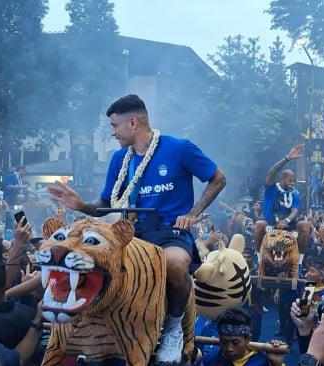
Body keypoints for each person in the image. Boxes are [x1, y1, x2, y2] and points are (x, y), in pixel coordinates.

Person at [47, 94, 227, 363]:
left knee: (175, 264)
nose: (112, 132)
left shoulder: (179, 148)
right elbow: (105, 204)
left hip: (170, 233)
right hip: (131, 235)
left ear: (132, 122)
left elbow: (218, 178)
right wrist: (81, 205)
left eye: (115, 126)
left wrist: (191, 214)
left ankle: (174, 328)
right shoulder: (119, 159)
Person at [253, 144, 310, 253]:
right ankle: (259, 257)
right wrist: (287, 158)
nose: (292, 183)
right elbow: (271, 173)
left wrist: (286, 220)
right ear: (282, 178)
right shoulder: (271, 189)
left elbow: (295, 211)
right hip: (270, 223)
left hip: (288, 224)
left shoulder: (294, 193)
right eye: (290, 180)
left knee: (306, 225)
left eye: (294, 181)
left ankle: (299, 261)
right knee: (259, 225)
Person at [197, 307, 285, 366]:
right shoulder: (207, 361)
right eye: (224, 342)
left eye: (235, 342)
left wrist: (277, 364)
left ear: (248, 339)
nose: (229, 348)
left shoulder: (264, 362)